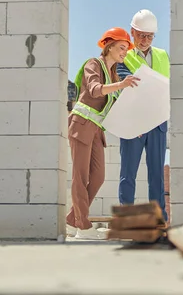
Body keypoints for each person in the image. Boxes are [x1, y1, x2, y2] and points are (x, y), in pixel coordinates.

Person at [66, 27, 140, 240]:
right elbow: (94, 89)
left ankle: (72, 221)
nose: (124, 52)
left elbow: (115, 106)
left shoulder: (114, 73)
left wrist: (131, 128)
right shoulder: (93, 64)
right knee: (80, 178)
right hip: (81, 126)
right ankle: (83, 226)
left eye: (126, 49)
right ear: (109, 46)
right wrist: (121, 84)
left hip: (96, 130)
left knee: (97, 178)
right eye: (121, 47)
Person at [116, 9, 170, 222]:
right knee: (128, 174)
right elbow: (125, 88)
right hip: (133, 125)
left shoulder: (163, 56)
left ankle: (159, 220)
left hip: (157, 123)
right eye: (141, 35)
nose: (145, 40)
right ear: (132, 32)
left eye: (150, 36)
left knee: (156, 176)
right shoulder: (123, 56)